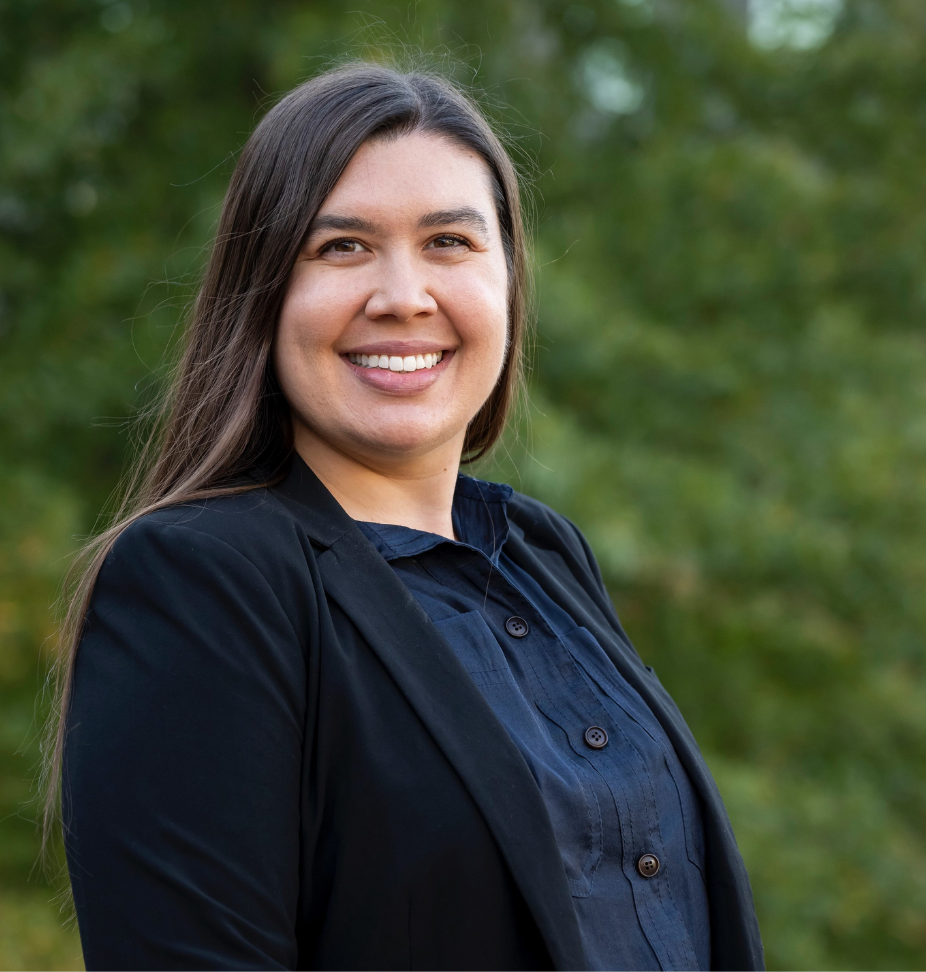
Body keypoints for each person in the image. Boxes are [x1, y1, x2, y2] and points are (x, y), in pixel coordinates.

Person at [48, 62, 764, 971]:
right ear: (264, 293)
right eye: (341, 247)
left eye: (450, 244)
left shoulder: (543, 555)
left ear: (507, 278)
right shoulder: (203, 581)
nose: (404, 295)